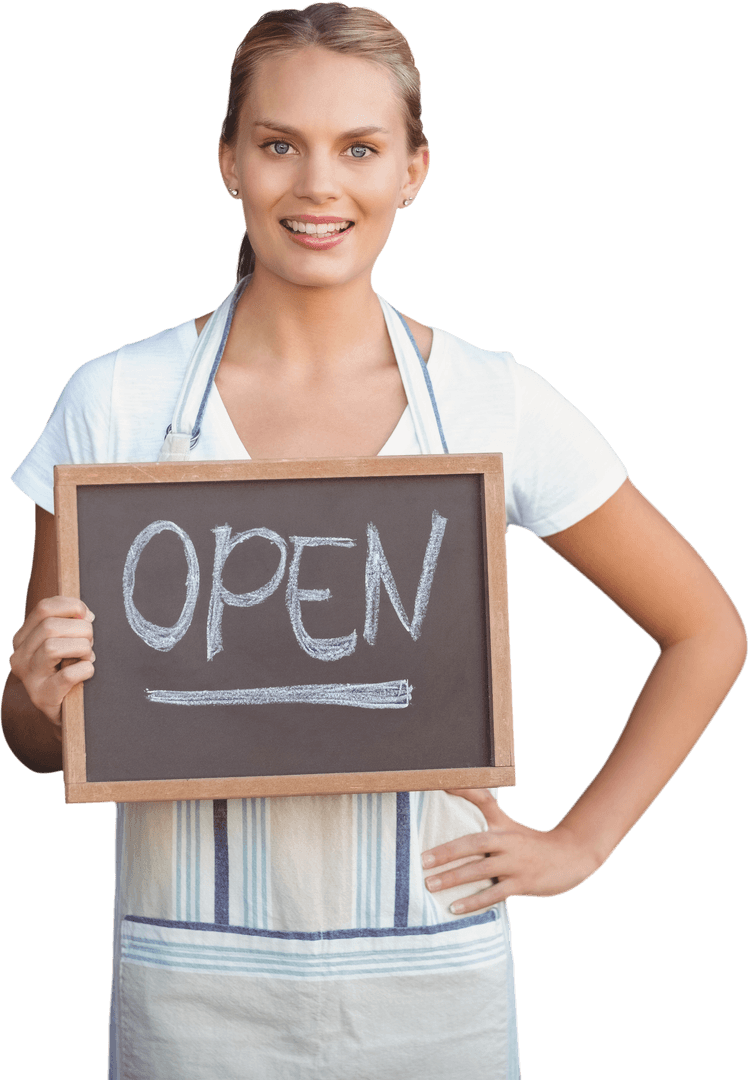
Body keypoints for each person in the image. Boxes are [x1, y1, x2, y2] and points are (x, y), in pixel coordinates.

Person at [2, 4, 745, 1078]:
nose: (317, 186)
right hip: (190, 993)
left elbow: (703, 629)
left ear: (413, 170)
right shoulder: (115, 399)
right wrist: (34, 686)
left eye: (359, 148)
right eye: (277, 145)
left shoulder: (492, 401)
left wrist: (581, 842)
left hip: (432, 987)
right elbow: (34, 737)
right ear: (227, 163)